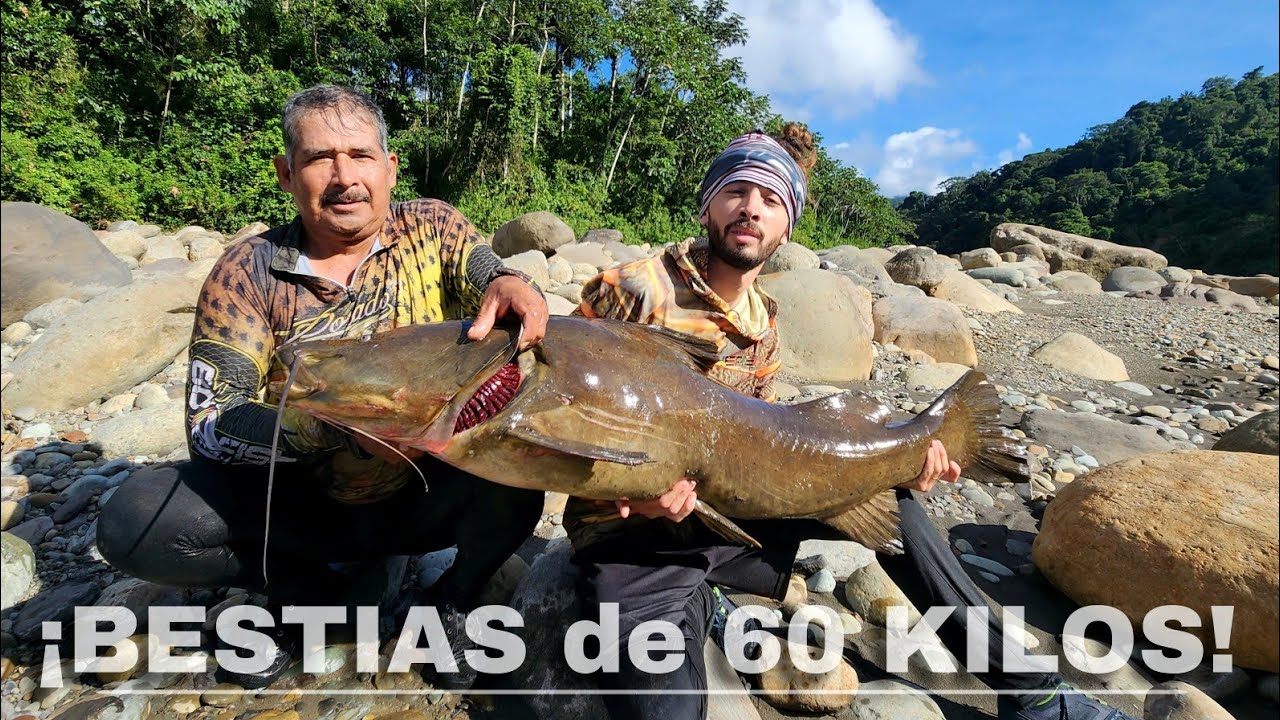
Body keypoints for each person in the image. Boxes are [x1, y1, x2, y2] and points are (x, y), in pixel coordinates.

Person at [566, 125, 1138, 720]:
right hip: (632, 538)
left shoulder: (764, 321)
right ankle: (700, 604)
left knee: (899, 507)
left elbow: (762, 433)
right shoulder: (632, 290)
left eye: (771, 201)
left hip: (725, 517)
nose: (751, 210)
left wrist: (895, 464)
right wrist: (636, 494)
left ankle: (1035, 695)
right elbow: (552, 412)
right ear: (708, 201)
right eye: (737, 190)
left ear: (786, 227)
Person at [96, 84, 547, 690]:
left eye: (361, 156)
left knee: (523, 468)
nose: (344, 178)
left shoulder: (432, 226)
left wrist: (514, 280)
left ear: (389, 168)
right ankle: (305, 590)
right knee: (134, 521)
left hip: (426, 492)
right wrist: (327, 430)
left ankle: (454, 595)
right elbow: (209, 424)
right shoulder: (247, 271)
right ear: (286, 173)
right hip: (304, 501)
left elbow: (482, 270)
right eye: (318, 159)